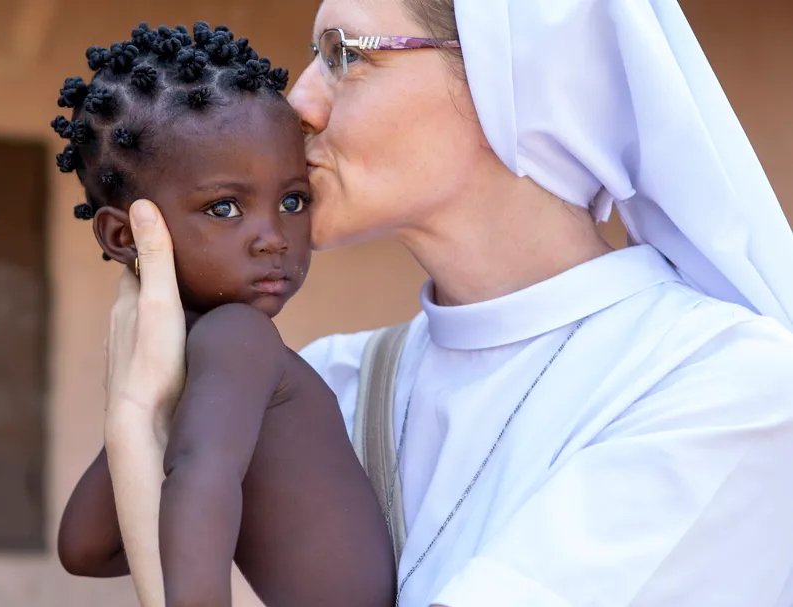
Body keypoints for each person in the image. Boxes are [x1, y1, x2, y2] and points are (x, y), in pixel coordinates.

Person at [78, 1, 793, 606]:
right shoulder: (337, 381)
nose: (299, 102)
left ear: (512, 75)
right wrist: (137, 412)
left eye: (345, 55)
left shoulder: (727, 387)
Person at [53, 22, 397, 607]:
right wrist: (138, 408)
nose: (273, 238)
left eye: (292, 201)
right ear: (125, 234)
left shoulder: (239, 339)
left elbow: (196, 479)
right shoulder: (213, 350)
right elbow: (88, 546)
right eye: (225, 207)